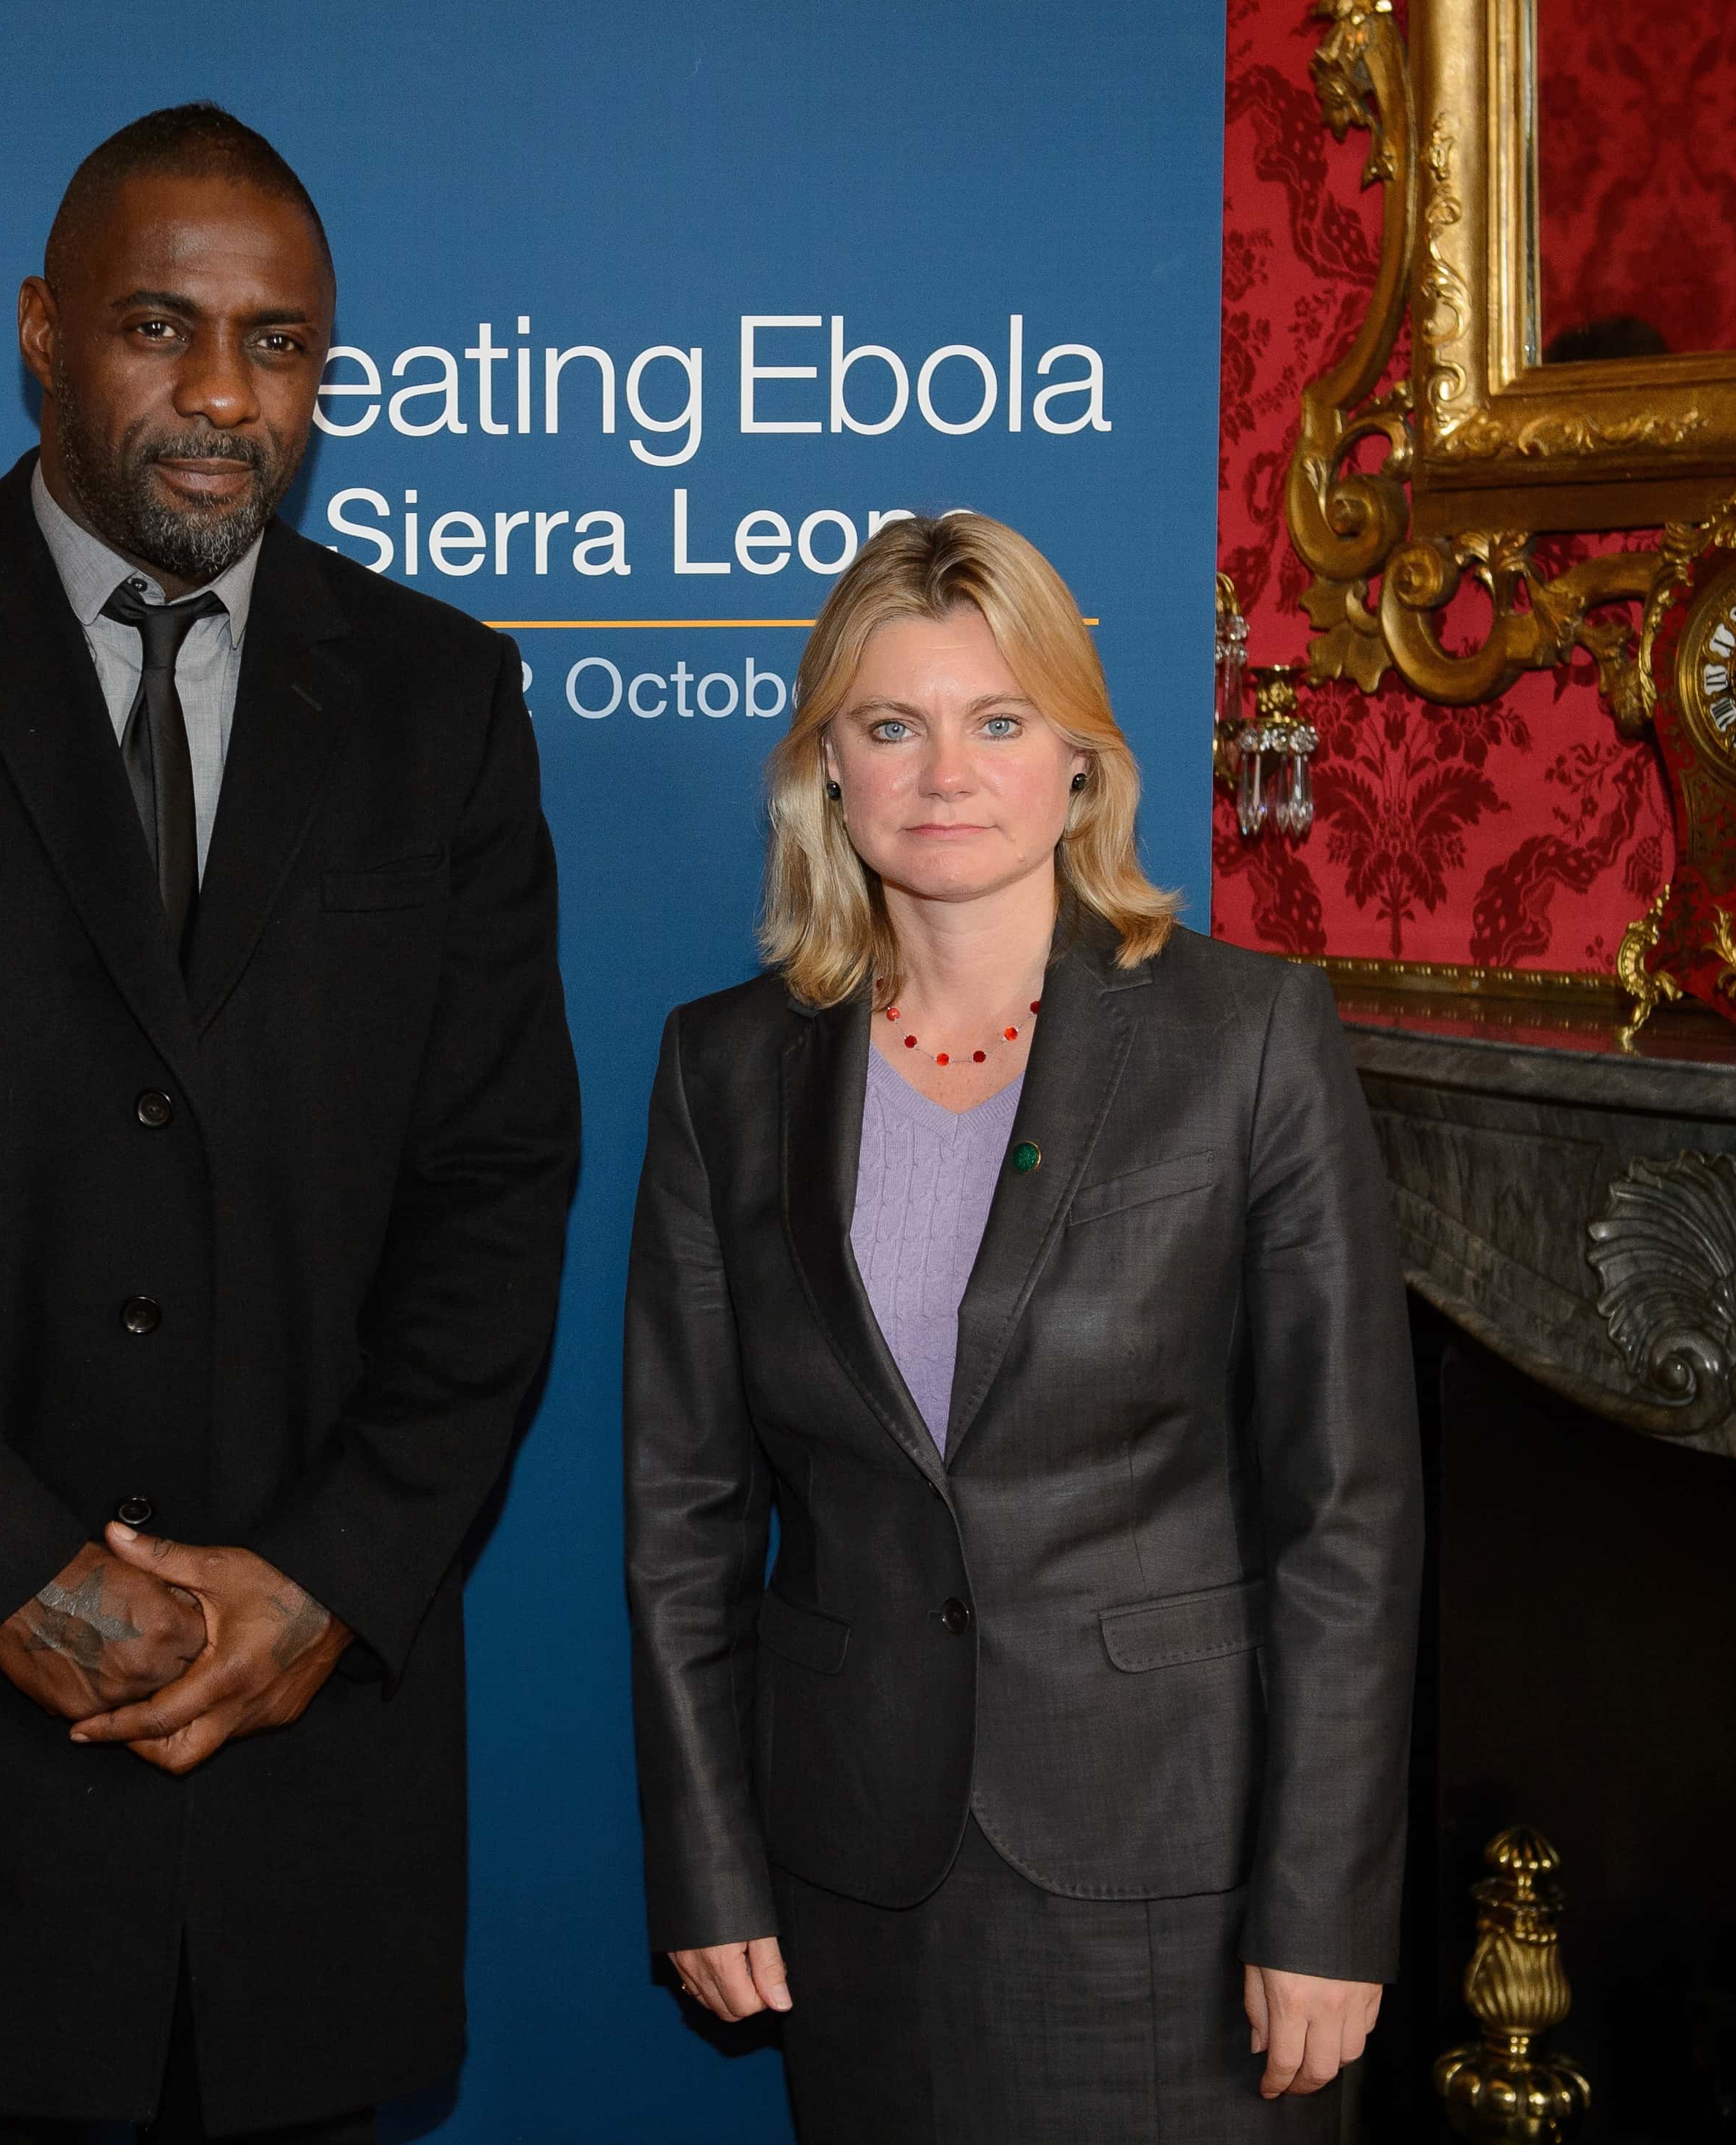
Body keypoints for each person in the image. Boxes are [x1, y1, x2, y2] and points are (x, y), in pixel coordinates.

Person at [0, 104, 578, 2144]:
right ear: (44, 331)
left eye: (281, 344)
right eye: (163, 327)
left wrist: (330, 1576)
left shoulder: (440, 698)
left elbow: (498, 1184)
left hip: (293, 1751)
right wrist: (7, 1570)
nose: (226, 395)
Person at [623, 514, 1420, 2139]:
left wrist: (1327, 1901)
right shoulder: (724, 1070)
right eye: (889, 725)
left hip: (1181, 1874)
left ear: (1080, 759)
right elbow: (685, 1516)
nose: (945, 773)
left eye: (998, 719)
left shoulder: (1249, 1035)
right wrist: (708, 1859)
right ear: (826, 768)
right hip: (858, 1874)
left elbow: (1345, 1513)